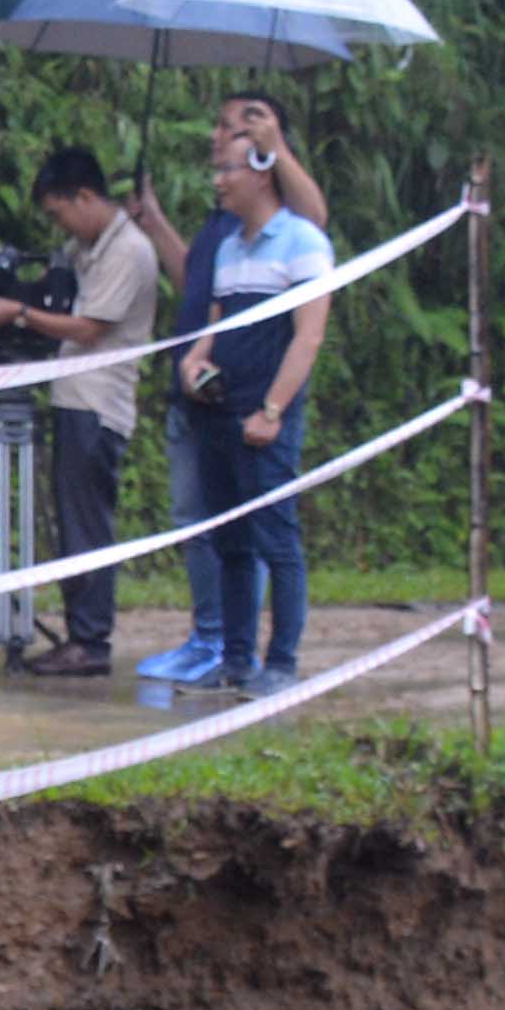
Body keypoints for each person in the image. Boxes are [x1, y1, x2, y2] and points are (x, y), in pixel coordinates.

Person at [0, 146, 164, 675]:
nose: (60, 225)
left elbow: (88, 328)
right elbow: (61, 299)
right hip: (74, 398)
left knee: (86, 524)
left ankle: (90, 640)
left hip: (98, 405)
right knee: (73, 520)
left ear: (85, 196)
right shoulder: (89, 248)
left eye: (59, 212)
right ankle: (82, 633)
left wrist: (18, 312)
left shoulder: (128, 251)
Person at [165, 110, 337, 693]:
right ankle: (237, 659)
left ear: (261, 173)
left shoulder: (303, 242)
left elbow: (309, 335)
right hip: (217, 412)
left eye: (227, 170)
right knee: (230, 541)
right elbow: (216, 318)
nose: (217, 181)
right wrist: (194, 360)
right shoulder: (230, 248)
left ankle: (282, 661)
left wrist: (273, 410)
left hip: (266, 417)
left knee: (277, 539)